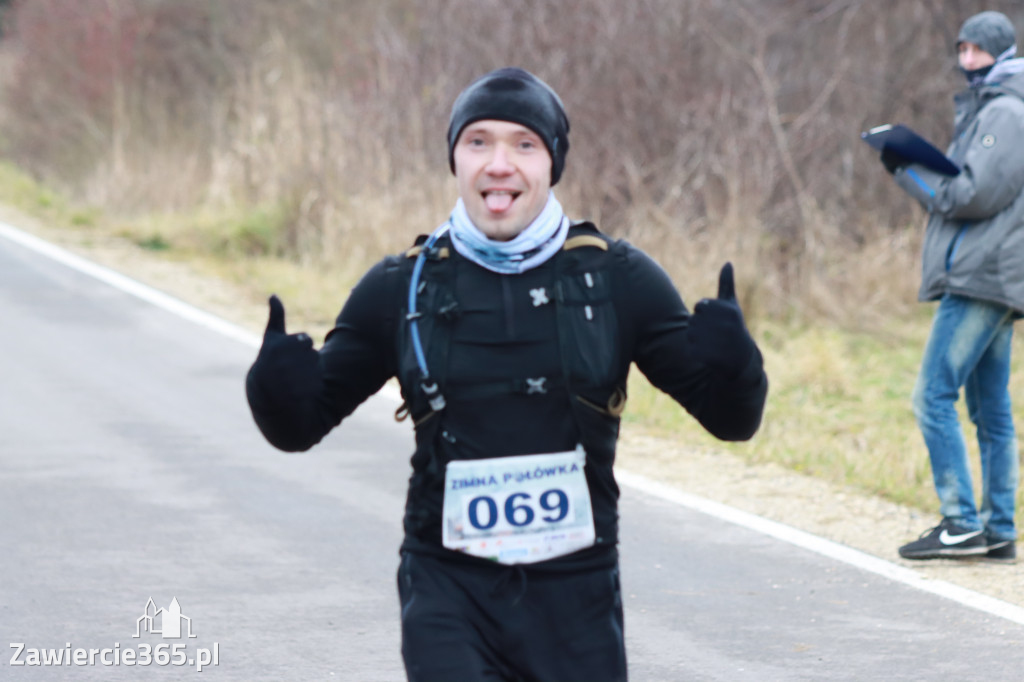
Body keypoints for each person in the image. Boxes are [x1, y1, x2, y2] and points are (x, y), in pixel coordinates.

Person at [246, 66, 768, 681]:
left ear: (551, 164)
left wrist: (736, 366)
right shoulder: (403, 285)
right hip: (447, 586)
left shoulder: (616, 279)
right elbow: (298, 425)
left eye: (523, 144)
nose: (499, 164)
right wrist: (274, 386)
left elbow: (733, 421)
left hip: (577, 592)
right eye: (478, 142)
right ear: (455, 161)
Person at [881, 11, 1024, 562]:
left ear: (1000, 52)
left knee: (931, 396)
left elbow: (971, 196)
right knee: (991, 411)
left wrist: (908, 172)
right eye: (962, 51)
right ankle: (999, 527)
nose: (967, 61)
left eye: (977, 52)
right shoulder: (992, 108)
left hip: (982, 276)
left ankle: (961, 522)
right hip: (992, 275)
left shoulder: (1007, 112)